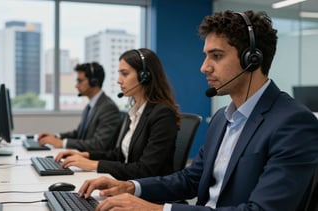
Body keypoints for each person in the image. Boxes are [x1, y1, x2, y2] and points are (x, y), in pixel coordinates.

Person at [77, 10, 318, 210]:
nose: (204, 67)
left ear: (252, 59)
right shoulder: (222, 119)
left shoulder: (293, 123)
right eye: (206, 56)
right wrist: (131, 187)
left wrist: (158, 209)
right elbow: (190, 179)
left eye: (216, 56)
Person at [54, 48, 181, 180]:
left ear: (145, 76)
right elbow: (119, 155)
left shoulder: (162, 114)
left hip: (147, 192)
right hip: (127, 183)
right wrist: (87, 155)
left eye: (125, 74)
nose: (119, 81)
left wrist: (94, 165)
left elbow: (146, 170)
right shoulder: (136, 111)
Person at [38, 62, 122, 151]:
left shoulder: (108, 108)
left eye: (80, 81)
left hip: (92, 161)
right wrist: (56, 137)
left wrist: (62, 143)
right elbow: (79, 134)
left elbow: (98, 144)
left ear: (94, 82)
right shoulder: (89, 106)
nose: (76, 85)